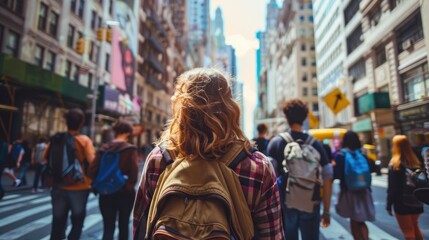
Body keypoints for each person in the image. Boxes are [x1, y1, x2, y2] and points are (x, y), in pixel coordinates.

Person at [133, 68, 284, 239]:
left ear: (181, 108)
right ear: (229, 108)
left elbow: (140, 226)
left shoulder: (158, 159)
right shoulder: (257, 166)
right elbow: (273, 235)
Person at [267, 99, 333, 240]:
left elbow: (270, 178)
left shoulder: (276, 143)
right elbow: (328, 175)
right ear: (304, 118)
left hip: (286, 203)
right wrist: (326, 211)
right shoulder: (315, 144)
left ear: (286, 117)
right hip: (311, 201)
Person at [45, 108, 95, 240]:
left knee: (57, 222)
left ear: (66, 122)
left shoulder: (56, 139)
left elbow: (43, 159)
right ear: (81, 123)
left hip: (57, 186)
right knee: (77, 222)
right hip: (79, 187)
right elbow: (92, 161)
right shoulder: (84, 140)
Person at [88, 120, 138, 240]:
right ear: (127, 133)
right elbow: (134, 173)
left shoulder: (104, 148)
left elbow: (92, 170)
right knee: (124, 226)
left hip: (106, 193)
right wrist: (127, 187)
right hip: (125, 193)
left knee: (108, 228)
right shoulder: (130, 149)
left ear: (115, 132)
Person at [334, 131, 375, 240]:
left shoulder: (341, 155)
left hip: (349, 191)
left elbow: (336, 174)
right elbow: (372, 169)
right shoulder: (362, 154)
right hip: (364, 191)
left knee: (354, 219)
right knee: (360, 220)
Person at [386, 135, 424, 240]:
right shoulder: (416, 163)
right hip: (416, 200)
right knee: (415, 227)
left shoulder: (395, 164)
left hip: (401, 202)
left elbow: (392, 188)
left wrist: (389, 205)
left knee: (408, 232)